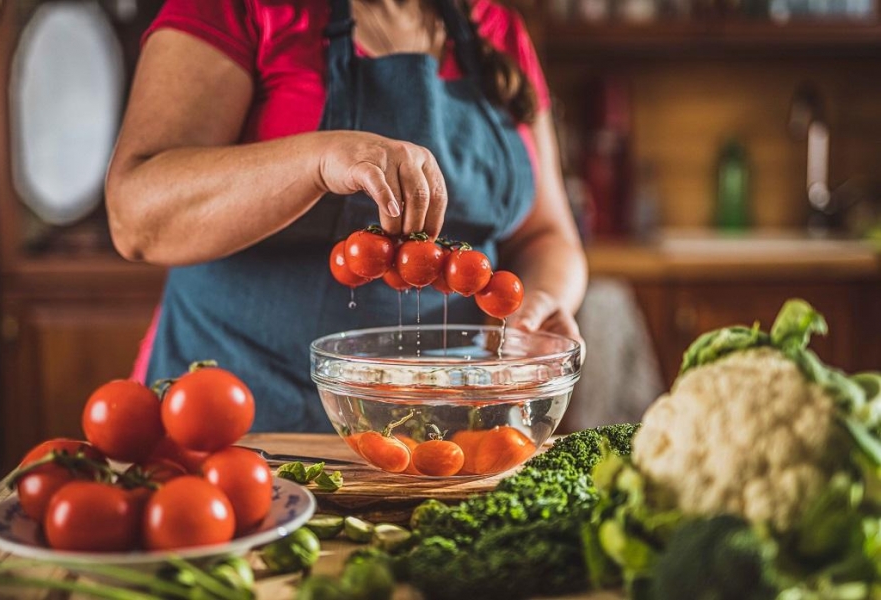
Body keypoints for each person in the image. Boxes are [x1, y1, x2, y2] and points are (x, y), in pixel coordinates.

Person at [105, 0, 588, 432]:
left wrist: (541, 300)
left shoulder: (496, 27)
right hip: (236, 421)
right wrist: (317, 160)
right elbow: (136, 220)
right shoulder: (242, 8)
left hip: (448, 431)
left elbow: (546, 235)